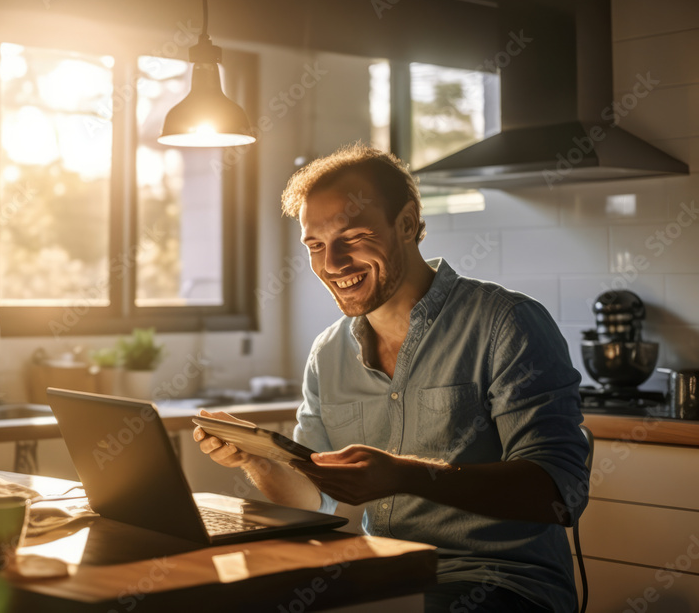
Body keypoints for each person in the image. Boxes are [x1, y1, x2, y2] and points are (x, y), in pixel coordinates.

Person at [194, 143, 589, 612]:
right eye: (315, 246)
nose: (332, 263)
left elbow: (558, 495)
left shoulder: (507, 322)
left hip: (499, 584)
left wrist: (408, 476)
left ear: (406, 224)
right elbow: (313, 501)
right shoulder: (327, 353)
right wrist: (256, 461)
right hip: (382, 574)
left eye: (352, 236)